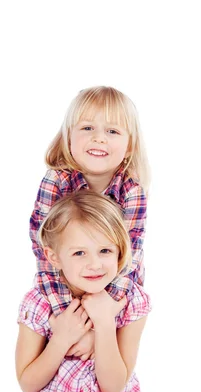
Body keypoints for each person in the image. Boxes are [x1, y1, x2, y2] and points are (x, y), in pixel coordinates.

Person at [16, 191, 162, 392]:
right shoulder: (40, 303)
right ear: (54, 257)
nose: (94, 264)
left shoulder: (130, 302)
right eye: (79, 252)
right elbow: (28, 382)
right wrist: (61, 338)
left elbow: (112, 387)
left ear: (121, 252)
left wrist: (105, 323)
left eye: (105, 250)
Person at [29, 85, 150, 361]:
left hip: (116, 283)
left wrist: (99, 324)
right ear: (68, 136)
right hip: (63, 280)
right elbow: (44, 252)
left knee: (108, 358)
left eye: (112, 131)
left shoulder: (132, 191)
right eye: (87, 128)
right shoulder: (56, 181)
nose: (99, 139)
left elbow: (129, 258)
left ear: (129, 145)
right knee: (58, 347)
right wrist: (68, 318)